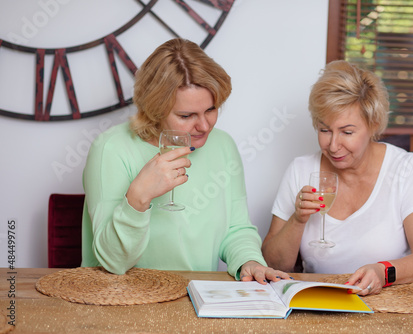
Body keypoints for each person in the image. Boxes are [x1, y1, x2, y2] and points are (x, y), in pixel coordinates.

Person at [81, 38, 289, 284]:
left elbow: (236, 229)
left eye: (211, 110)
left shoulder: (223, 146)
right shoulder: (111, 148)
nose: (204, 125)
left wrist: (250, 261)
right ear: (155, 108)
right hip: (121, 300)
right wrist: (138, 197)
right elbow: (113, 262)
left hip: (196, 299)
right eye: (186, 115)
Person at [262, 60, 413, 295]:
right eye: (324, 130)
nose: (333, 145)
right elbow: (273, 265)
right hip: (319, 302)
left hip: (390, 304)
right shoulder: (301, 169)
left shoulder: (406, 169)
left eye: (347, 132)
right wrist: (298, 219)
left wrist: (382, 272)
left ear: (373, 125)